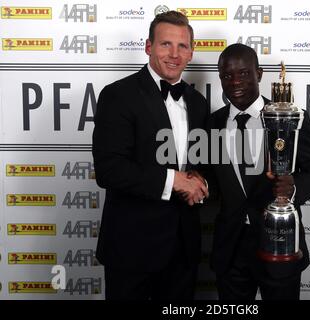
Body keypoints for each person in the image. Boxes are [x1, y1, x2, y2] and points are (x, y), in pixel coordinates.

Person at [92, 11, 209, 300]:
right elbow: (110, 169)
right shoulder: (118, 95)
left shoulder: (197, 102)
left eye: (182, 46)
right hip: (132, 250)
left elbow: (197, 163)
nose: (174, 53)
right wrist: (175, 181)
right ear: (148, 47)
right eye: (165, 44)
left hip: (183, 248)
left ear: (191, 52)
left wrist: (199, 180)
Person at [208, 43, 310, 300]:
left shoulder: (291, 118)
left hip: (280, 243)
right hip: (230, 249)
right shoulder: (211, 124)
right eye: (227, 76)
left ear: (259, 74)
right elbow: (211, 179)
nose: (235, 82)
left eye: (243, 74)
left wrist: (293, 188)